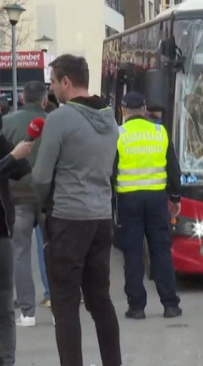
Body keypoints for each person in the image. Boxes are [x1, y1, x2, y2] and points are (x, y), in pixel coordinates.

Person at [32, 54, 122, 366]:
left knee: (66, 303)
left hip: (69, 219)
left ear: (66, 82)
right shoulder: (110, 119)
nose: (52, 89)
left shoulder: (61, 118)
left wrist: (42, 204)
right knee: (100, 300)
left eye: (54, 82)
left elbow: (41, 176)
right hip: (100, 219)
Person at [115, 92, 182, 320]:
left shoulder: (118, 134)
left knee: (132, 253)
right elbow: (173, 169)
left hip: (128, 201)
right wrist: (175, 198)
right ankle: (170, 305)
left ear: (123, 111)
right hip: (156, 199)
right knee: (161, 251)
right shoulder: (159, 132)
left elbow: (112, 172)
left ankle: (137, 307)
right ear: (144, 109)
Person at [2, 81, 50, 327]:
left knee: (20, 254)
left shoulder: (7, 123)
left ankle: (28, 313)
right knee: (51, 251)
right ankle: (56, 307)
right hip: (48, 198)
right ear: (45, 99)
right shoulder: (55, 122)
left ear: (22, 98)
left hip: (17, 196)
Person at [0, 131, 35, 364]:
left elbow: (23, 170)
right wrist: (11, 157)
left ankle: (7, 359)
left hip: (2, 232)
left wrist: (16, 154)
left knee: (4, 304)